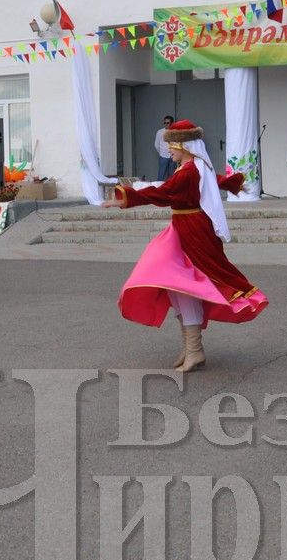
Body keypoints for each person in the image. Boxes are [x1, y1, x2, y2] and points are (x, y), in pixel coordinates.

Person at [102, 119, 269, 372]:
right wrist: (234, 183)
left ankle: (194, 349)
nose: (168, 149)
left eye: (171, 144)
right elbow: (215, 180)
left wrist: (127, 197)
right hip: (184, 228)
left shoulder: (190, 171)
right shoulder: (195, 166)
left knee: (186, 286)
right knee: (175, 284)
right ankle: (191, 347)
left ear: (184, 145)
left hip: (193, 232)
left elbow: (164, 193)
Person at [154, 115, 176, 181]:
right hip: (163, 156)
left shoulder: (175, 132)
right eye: (165, 123)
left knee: (172, 175)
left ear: (172, 123)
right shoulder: (160, 132)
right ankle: (158, 189)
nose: (166, 124)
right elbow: (156, 144)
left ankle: (170, 190)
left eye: (167, 123)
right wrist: (161, 153)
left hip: (173, 157)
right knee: (161, 174)